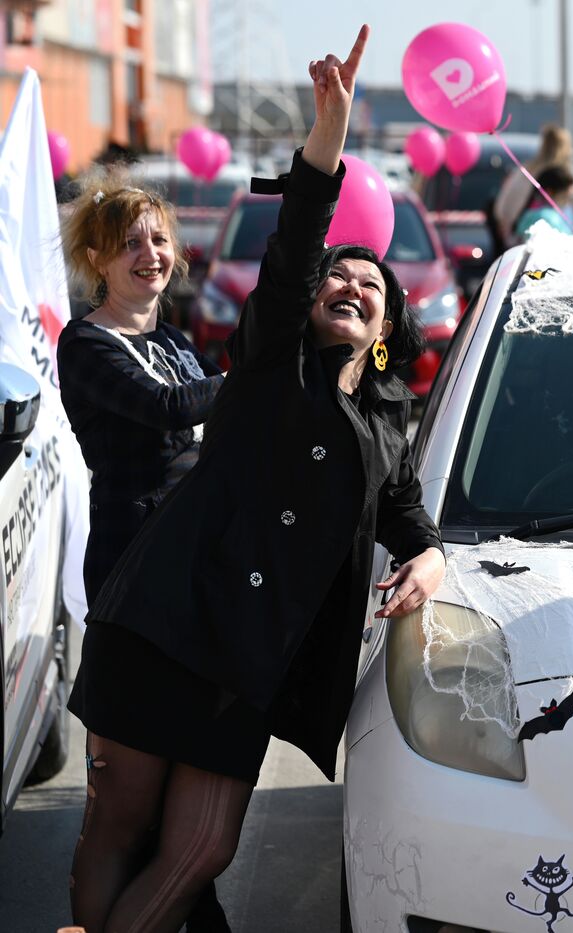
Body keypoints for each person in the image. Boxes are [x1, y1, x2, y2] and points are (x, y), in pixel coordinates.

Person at [65, 25, 446, 932]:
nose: (350, 285)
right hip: (163, 618)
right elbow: (298, 237)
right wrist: (330, 134)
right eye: (335, 279)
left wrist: (430, 558)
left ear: (385, 329)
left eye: (370, 286)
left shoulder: (386, 419)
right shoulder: (274, 357)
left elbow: (406, 514)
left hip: (247, 663)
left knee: (200, 849)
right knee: (120, 827)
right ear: (307, 304)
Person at [57, 170, 233, 933]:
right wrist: (250, 375)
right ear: (97, 258)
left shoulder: (172, 339)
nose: (149, 253)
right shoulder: (86, 343)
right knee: (121, 813)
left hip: (189, 582)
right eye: (128, 242)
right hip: (131, 580)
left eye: (158, 238)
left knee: (174, 808)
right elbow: (166, 408)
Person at [491, 124, 573, 246]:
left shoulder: (524, 173)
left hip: (520, 246)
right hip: (567, 247)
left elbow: (501, 210)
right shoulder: (571, 176)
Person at [513, 165, 573, 239]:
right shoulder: (546, 217)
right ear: (549, 192)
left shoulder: (531, 212)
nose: (569, 201)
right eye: (566, 196)